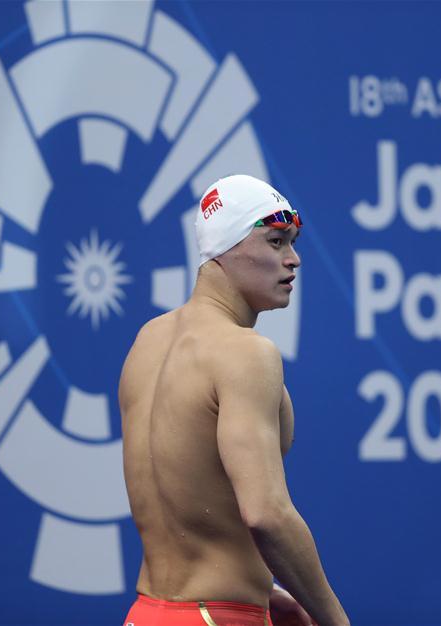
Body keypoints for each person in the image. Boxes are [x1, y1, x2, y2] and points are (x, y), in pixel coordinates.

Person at [119, 175, 349, 626]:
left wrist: (263, 590)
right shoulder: (246, 353)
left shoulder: (147, 342)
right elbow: (266, 514)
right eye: (276, 241)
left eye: (293, 242)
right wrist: (336, 621)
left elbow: (190, 498)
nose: (294, 259)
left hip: (147, 613)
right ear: (227, 249)